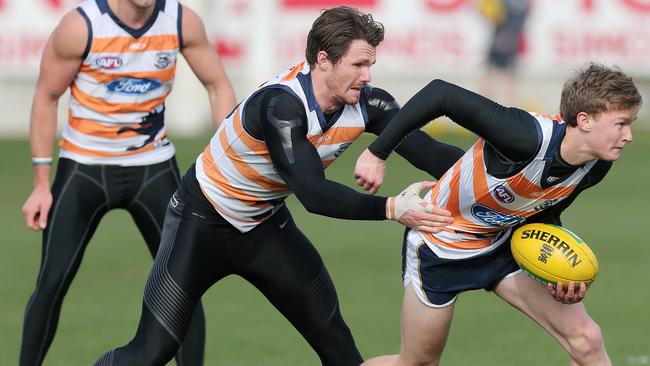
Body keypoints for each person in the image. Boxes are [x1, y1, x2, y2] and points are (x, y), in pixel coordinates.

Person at [92, 6, 462, 366]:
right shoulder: (281, 105)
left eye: (370, 65)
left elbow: (431, 153)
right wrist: (393, 208)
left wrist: (501, 168)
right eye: (358, 65)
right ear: (324, 60)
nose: (367, 76)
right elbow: (313, 194)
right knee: (150, 353)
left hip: (264, 227)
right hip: (199, 220)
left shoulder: (370, 103)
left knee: (338, 348)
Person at [354, 63, 642, 366]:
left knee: (586, 340)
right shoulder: (524, 136)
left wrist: (555, 272)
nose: (629, 136)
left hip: (501, 243)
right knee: (417, 362)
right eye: (620, 124)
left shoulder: (596, 165)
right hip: (440, 244)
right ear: (584, 120)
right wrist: (376, 154)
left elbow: (543, 213)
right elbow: (441, 94)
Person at [20, 0, 236, 364]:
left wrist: (230, 158)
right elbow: (47, 96)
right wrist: (41, 184)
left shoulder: (181, 21)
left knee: (184, 285)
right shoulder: (82, 26)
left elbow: (218, 85)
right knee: (51, 283)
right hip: (85, 168)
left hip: (153, 168)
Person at [478, 0, 531, 106]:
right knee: (504, 75)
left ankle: (483, 106)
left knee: (498, 75)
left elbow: (495, 16)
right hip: (508, 38)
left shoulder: (512, 5)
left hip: (505, 39)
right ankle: (509, 109)